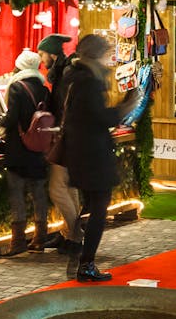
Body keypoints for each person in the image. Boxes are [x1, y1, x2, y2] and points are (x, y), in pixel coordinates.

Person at [60, 34, 141, 282]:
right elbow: (101, 118)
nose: (109, 60)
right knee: (98, 208)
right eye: (106, 54)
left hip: (81, 153)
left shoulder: (76, 78)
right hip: (91, 155)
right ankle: (85, 262)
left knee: (90, 206)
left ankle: (78, 253)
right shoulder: (88, 82)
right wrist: (128, 105)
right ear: (96, 55)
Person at [0, 50, 51, 256]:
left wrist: (0, 129)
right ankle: (40, 238)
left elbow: (12, 118)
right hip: (39, 149)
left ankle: (18, 240)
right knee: (38, 193)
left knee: (17, 194)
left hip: (18, 149)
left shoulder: (16, 87)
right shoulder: (44, 89)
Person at [36, 33, 83, 254]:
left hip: (67, 138)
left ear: (53, 54)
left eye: (42, 54)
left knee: (57, 189)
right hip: (72, 137)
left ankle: (75, 237)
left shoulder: (65, 74)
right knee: (68, 188)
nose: (41, 59)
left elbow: (66, 109)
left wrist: (59, 134)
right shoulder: (66, 71)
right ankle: (69, 233)